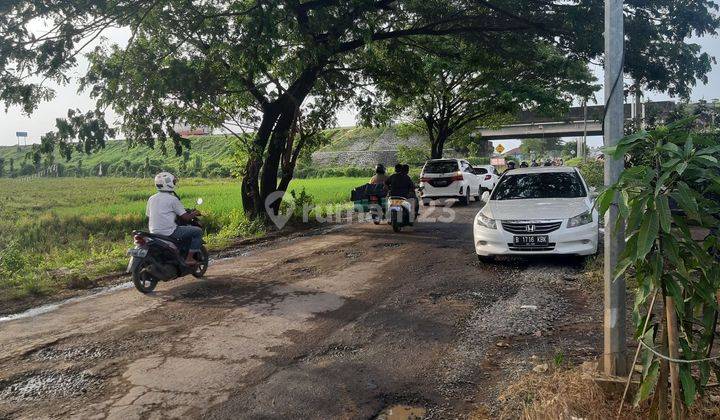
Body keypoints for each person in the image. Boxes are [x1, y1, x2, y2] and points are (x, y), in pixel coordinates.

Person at [146, 172, 202, 266]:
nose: (174, 183)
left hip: (153, 232)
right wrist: (195, 213)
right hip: (169, 232)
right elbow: (186, 217)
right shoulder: (172, 199)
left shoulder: (151, 198)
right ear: (169, 183)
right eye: (173, 182)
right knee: (197, 231)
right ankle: (189, 258)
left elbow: (148, 215)